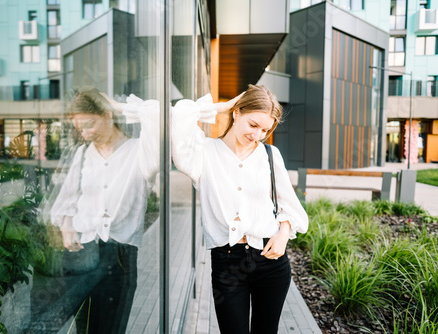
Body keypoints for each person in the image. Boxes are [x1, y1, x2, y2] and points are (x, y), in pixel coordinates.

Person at [171, 84, 308, 334]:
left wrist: (283, 235)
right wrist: (220, 106)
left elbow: (290, 205)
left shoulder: (270, 155)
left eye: (265, 130)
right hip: (227, 263)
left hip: (271, 260)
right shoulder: (204, 153)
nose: (257, 135)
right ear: (237, 113)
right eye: (253, 125)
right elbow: (179, 117)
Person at [48, 87, 159, 333]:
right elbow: (68, 197)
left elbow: (158, 116)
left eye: (89, 124)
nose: (85, 134)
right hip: (80, 251)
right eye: (79, 129)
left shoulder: (140, 152)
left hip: (119, 255)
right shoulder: (83, 153)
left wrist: (117, 105)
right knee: (83, 328)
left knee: (110, 328)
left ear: (108, 115)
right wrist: (67, 228)